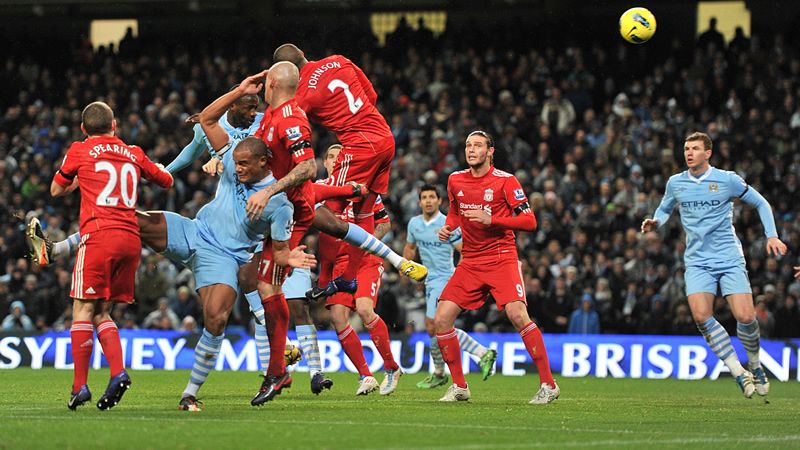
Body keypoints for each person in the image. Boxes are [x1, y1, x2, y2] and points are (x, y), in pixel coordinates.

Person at [196, 74, 316, 407]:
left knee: (268, 288)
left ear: (274, 83)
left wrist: (268, 190)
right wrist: (221, 158)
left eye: (265, 82)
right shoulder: (270, 118)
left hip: (289, 211)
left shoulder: (290, 117)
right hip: (265, 210)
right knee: (257, 283)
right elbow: (210, 122)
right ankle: (278, 370)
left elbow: (309, 167)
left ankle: (277, 372)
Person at [272, 44, 427, 296]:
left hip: (359, 145)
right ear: (303, 54)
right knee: (364, 210)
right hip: (384, 136)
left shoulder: (303, 94)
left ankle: (319, 279)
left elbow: (287, 124)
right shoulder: (338, 60)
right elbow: (372, 95)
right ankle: (348, 277)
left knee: (326, 210)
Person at [641, 131, 788, 398]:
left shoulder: (727, 180)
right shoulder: (676, 183)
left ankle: (755, 365)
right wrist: (656, 221)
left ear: (707, 153)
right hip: (697, 260)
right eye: (686, 148)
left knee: (745, 316)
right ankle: (738, 372)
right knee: (701, 316)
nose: (688, 153)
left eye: (695, 148)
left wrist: (772, 235)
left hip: (729, 257)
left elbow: (761, 203)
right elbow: (664, 208)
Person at [50, 101, 174, 410]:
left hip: (98, 237)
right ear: (114, 125)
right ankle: (117, 372)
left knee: (81, 310)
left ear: (83, 128)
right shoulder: (134, 152)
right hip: (130, 240)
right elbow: (166, 180)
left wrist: (81, 178)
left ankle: (80, 387)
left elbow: (56, 190)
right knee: (102, 312)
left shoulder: (79, 150)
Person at [433, 131, 558, 404]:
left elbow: (529, 221)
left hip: (502, 258)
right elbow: (456, 211)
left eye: (477, 145)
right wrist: (449, 226)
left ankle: (549, 385)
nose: (471, 149)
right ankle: (460, 386)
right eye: (468, 145)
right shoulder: (455, 179)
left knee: (517, 315)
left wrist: (494, 219)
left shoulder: (506, 181)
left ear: (491, 151)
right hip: (470, 261)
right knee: (442, 319)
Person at [403, 184, 497, 389]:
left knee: (434, 324)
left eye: (432, 197)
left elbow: (464, 250)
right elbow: (410, 248)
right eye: (424, 197)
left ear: (439, 201)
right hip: (429, 281)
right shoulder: (414, 224)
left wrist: (464, 275)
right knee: (435, 329)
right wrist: (405, 265)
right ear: (419, 202)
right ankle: (451, 366)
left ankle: (469, 359)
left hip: (446, 278)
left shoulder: (447, 223)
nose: (428, 200)